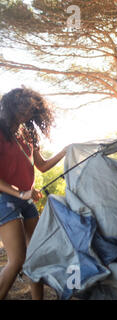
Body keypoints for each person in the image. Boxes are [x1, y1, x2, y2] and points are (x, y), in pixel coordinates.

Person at [0, 88, 67, 300]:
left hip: (25, 198)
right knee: (18, 258)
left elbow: (43, 165)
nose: (27, 116)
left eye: (31, 113)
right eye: (23, 112)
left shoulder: (27, 133)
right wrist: (19, 193)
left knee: (36, 255)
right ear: (12, 109)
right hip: (5, 198)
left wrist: (67, 150)